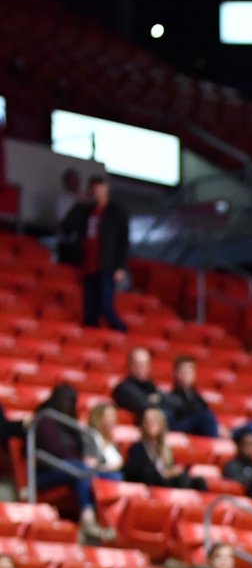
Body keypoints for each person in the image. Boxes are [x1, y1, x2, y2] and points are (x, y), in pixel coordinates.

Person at [30, 384, 114, 542]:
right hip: (48, 472)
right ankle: (87, 519)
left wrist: (88, 459)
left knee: (112, 475)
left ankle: (111, 522)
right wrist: (82, 461)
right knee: (82, 469)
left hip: (72, 468)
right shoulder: (45, 419)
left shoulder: (72, 423)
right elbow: (53, 450)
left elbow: (84, 447)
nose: (68, 404)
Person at [59, 176, 128, 331]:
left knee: (105, 306)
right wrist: (79, 205)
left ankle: (122, 332)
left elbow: (123, 241)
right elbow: (67, 226)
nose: (96, 192)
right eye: (94, 189)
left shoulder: (116, 212)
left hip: (106, 266)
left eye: (99, 188)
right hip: (88, 265)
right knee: (89, 311)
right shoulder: (87, 211)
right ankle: (91, 337)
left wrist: (120, 267)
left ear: (106, 189)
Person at [123, 408, 207, 490]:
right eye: (146, 420)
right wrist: (165, 474)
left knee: (199, 482)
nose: (150, 422)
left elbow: (169, 469)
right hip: (152, 485)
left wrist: (172, 472)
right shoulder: (138, 448)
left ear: (161, 424)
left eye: (154, 420)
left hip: (166, 482)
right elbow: (138, 472)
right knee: (180, 479)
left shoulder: (165, 449)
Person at [165, 356, 219, 437]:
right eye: (183, 371)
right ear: (175, 373)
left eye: (190, 371)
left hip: (197, 431)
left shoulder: (198, 397)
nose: (186, 374)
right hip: (176, 430)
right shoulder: (170, 397)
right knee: (206, 417)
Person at [112, 348, 170, 423]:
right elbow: (144, 404)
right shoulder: (123, 388)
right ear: (129, 365)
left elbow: (170, 401)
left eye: (145, 364)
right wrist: (157, 400)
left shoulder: (151, 385)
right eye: (137, 364)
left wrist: (157, 399)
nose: (141, 368)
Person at [85, 402, 125, 474]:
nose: (112, 419)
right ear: (97, 418)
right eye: (108, 416)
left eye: (114, 416)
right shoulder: (90, 436)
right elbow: (90, 463)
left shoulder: (113, 442)